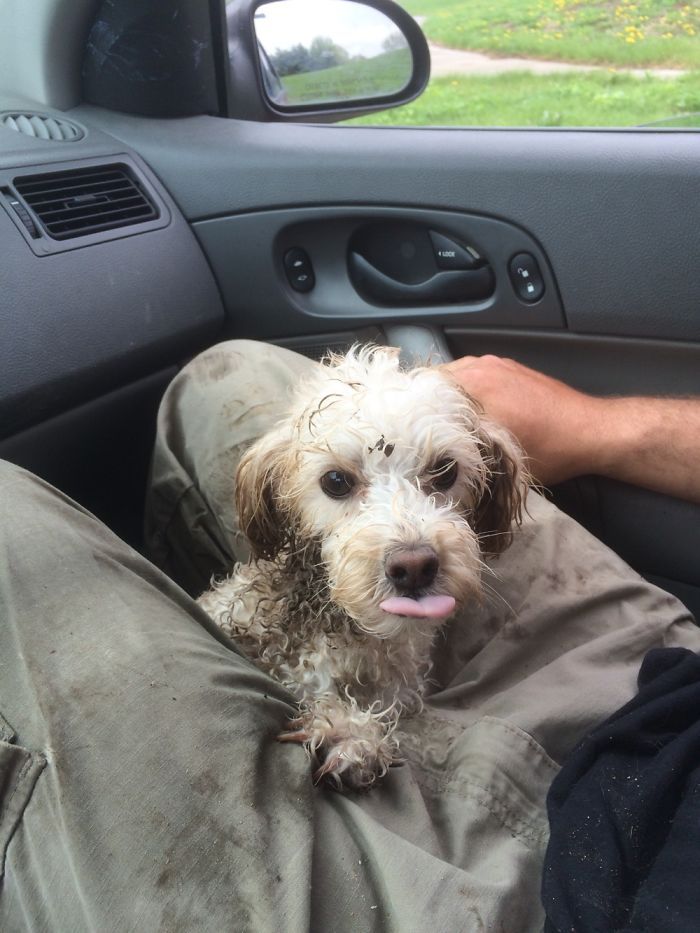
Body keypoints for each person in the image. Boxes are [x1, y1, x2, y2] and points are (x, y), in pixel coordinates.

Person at [1, 340, 698, 933]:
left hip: (600, 864)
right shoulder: (290, 497)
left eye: (442, 474)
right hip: (674, 697)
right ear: (282, 495)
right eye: (339, 481)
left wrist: (370, 726)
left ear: (486, 478)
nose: (411, 542)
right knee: (228, 370)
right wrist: (598, 426)